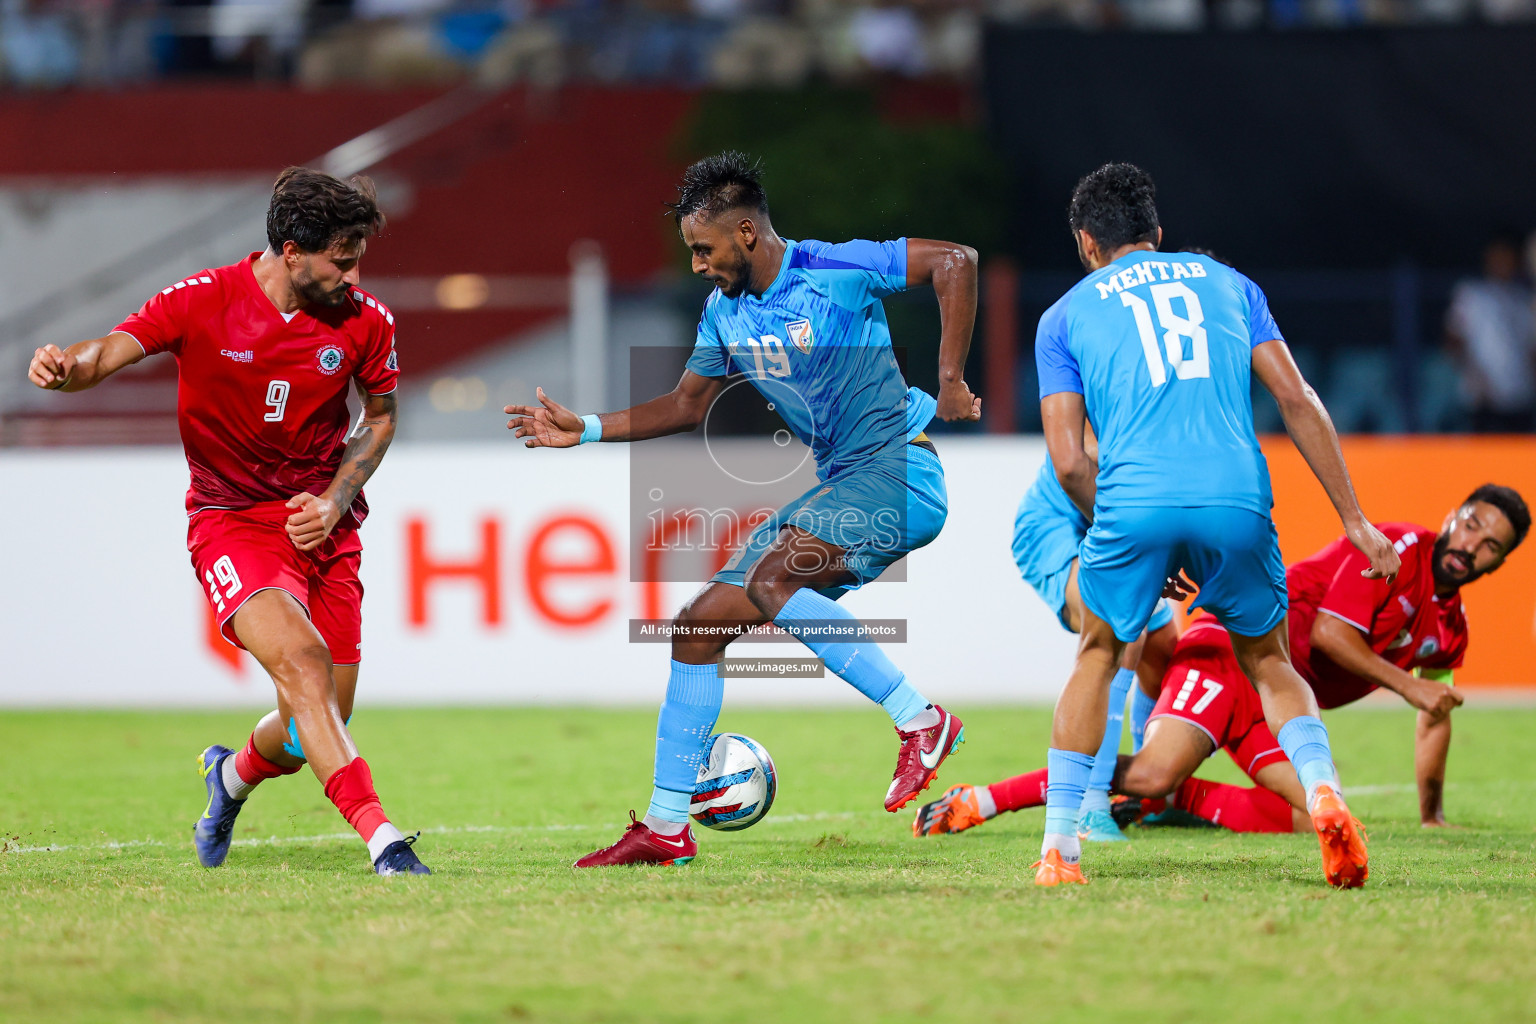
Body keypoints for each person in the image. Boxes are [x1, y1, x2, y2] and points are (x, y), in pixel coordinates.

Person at [505, 151, 981, 867]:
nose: (697, 264)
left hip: (899, 473)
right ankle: (667, 828)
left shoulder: (835, 269)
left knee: (770, 582)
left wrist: (949, 379)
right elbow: (686, 403)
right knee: (697, 628)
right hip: (844, 485)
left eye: (704, 249)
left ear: (748, 235)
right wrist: (590, 429)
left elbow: (958, 261)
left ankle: (922, 720)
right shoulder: (724, 313)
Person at [26, 167, 428, 877]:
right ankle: (384, 841)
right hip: (233, 522)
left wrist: (334, 500)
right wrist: (67, 369)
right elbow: (106, 353)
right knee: (304, 667)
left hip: (324, 526)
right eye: (342, 258)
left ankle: (230, 777)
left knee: (320, 720)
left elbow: (382, 418)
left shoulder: (367, 322)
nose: (354, 272)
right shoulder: (202, 301)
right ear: (292, 249)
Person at [1030, 162, 1399, 888]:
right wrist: (1353, 518)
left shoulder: (1064, 315)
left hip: (1132, 497)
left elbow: (1071, 463)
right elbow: (1297, 400)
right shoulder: (1229, 283)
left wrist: (1122, 529)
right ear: (1158, 234)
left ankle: (1060, 848)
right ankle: (1323, 790)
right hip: (1237, 496)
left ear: (1085, 243)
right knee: (1269, 661)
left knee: (1098, 655)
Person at [916, 486, 1527, 836]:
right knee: (1153, 769)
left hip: (1276, 704)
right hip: (1231, 657)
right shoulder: (1396, 548)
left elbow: (1435, 716)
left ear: (1498, 563)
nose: (1472, 545)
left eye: (1490, 545)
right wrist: (1410, 689)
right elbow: (1332, 640)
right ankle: (986, 799)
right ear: (1453, 517)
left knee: (1321, 813)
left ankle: (1175, 800)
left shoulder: (1450, 629)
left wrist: (1432, 815)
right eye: (1472, 525)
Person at [911, 442, 1179, 843]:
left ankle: (1144, 797)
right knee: (1125, 628)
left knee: (1164, 646)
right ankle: (1091, 806)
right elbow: (1085, 457)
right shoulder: (1124, 391)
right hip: (1060, 524)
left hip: (1119, 523)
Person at [1444, 234, 1536, 433]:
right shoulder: (1471, 294)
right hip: (1483, 398)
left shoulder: (1524, 299)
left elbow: (1531, 348)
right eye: (1497, 256)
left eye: (1507, 257)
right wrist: (1474, 376)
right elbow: (1454, 340)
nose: (1502, 262)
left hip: (1520, 396)